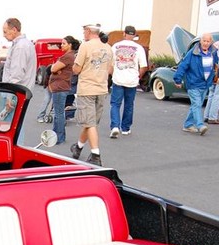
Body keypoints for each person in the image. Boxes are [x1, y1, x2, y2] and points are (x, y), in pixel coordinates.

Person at [70, 23, 113, 165]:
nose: (83, 33)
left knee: (89, 123)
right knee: (90, 123)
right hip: (101, 89)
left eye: (84, 31)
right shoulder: (108, 48)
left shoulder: (85, 46)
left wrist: (76, 66)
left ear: (88, 31)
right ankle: (78, 147)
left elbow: (76, 69)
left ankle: (95, 154)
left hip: (87, 88)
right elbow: (110, 70)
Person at [173, 32, 218, 135]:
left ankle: (188, 125)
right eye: (204, 41)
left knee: (196, 105)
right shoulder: (192, 53)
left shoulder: (213, 52)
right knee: (197, 104)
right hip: (193, 83)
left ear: (211, 42)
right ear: (200, 41)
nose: (206, 43)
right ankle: (200, 125)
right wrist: (177, 79)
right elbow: (183, 65)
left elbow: (216, 65)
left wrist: (218, 76)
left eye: (208, 41)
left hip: (205, 84)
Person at [109, 25, 148, 138]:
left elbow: (110, 65)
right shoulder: (139, 48)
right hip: (132, 80)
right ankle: (125, 128)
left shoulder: (115, 46)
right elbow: (144, 66)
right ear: (134, 35)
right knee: (129, 104)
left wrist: (113, 74)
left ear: (124, 34)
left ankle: (115, 126)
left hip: (118, 79)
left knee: (115, 104)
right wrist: (138, 76)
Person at [1, 18, 37, 119]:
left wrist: (10, 97)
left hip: (16, 94)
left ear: (14, 30)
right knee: (17, 123)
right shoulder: (24, 44)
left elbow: (17, 74)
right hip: (19, 93)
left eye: (5, 31)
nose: (3, 35)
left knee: (12, 124)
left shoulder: (20, 47)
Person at [48, 36, 79, 144]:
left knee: (59, 113)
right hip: (63, 86)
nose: (61, 45)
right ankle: (57, 135)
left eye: (64, 43)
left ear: (70, 45)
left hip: (60, 87)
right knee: (59, 112)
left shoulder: (67, 57)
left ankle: (58, 136)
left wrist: (56, 70)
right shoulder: (71, 56)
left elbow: (53, 68)